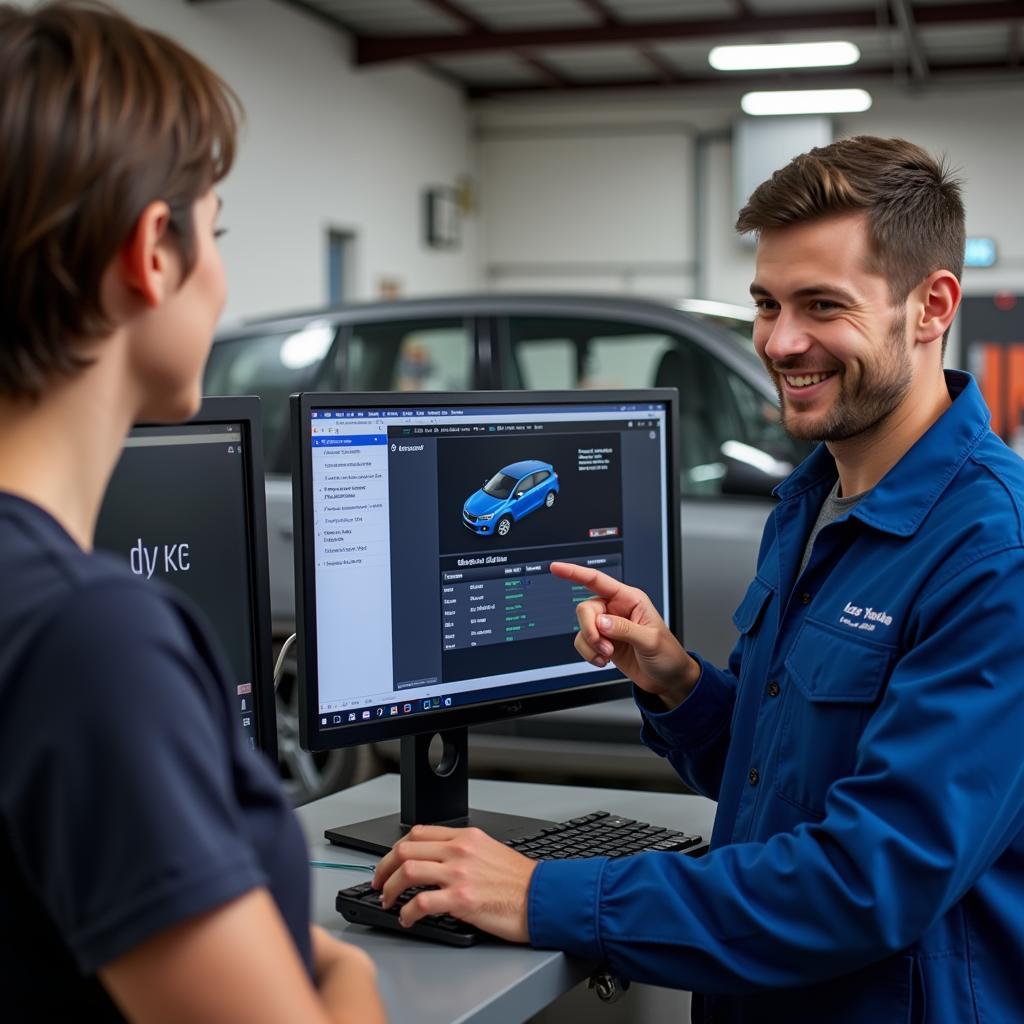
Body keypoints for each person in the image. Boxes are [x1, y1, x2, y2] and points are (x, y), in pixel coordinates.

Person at [372, 136, 1024, 1022]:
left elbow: (867, 881)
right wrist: (678, 682)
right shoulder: (812, 504)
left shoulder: (994, 553)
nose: (781, 342)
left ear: (932, 305)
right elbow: (780, 786)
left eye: (821, 305)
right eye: (766, 303)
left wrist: (540, 896)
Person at [0, 4, 386, 1021]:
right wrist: (345, 974)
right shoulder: (88, 639)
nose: (222, 279)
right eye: (216, 232)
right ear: (152, 253)